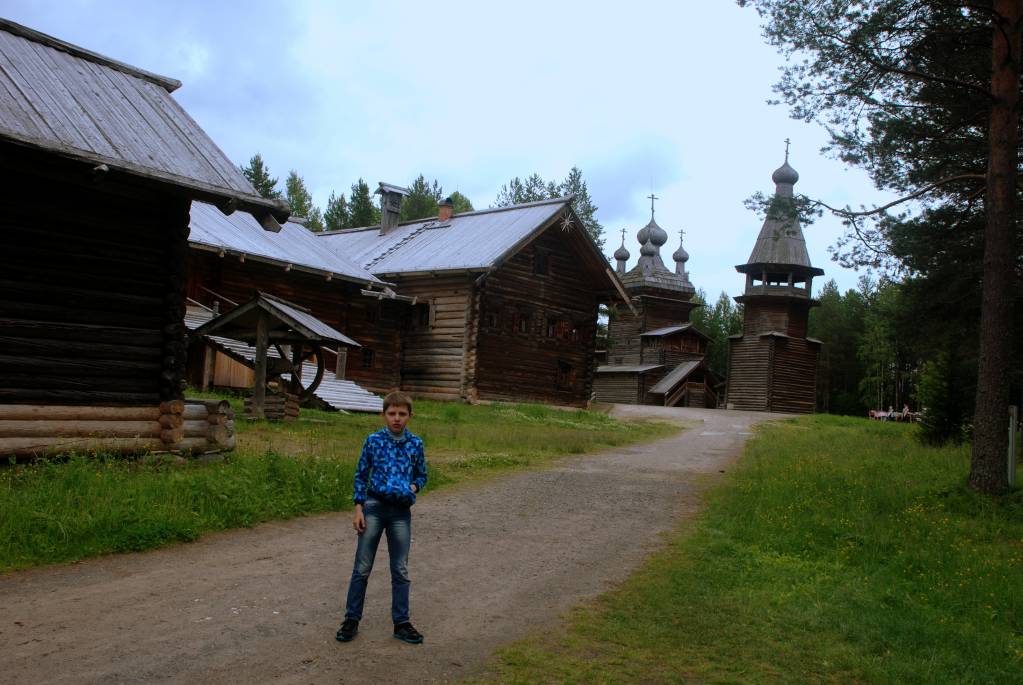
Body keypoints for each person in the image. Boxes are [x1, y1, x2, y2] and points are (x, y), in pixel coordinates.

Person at [336, 391, 428, 645]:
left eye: (402, 414)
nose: (397, 418)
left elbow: (422, 474)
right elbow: (361, 475)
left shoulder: (415, 444)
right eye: (392, 413)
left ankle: (402, 623)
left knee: (400, 569)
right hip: (374, 508)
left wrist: (413, 487)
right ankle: (351, 620)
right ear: (383, 415)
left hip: (400, 513)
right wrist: (358, 508)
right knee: (362, 567)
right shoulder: (373, 441)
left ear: (409, 416)